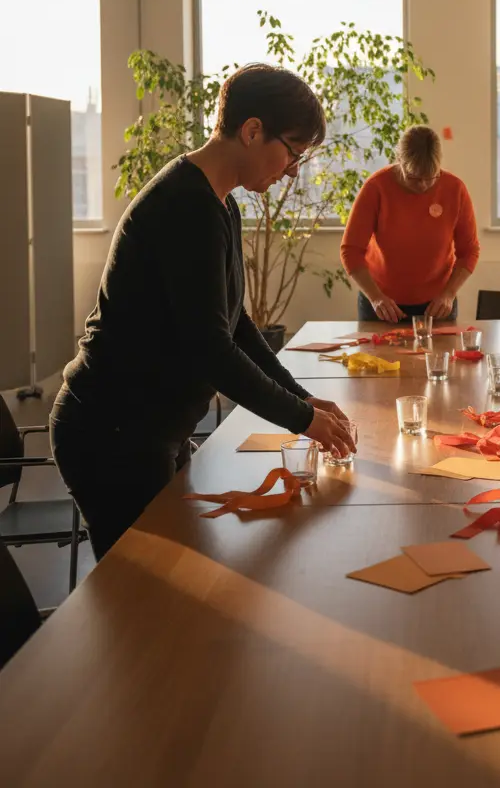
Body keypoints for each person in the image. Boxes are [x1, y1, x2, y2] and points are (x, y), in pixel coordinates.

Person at [51, 64, 355, 560]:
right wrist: (300, 418)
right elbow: (210, 350)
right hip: (112, 431)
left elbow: (233, 324)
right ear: (252, 131)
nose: (293, 170)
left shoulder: (220, 203)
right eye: (293, 152)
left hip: (150, 428)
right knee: (150, 602)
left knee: (178, 588)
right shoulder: (184, 205)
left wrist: (305, 401)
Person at [341, 124, 479, 323]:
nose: (423, 185)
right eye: (414, 177)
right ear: (399, 162)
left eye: (431, 177)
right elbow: (351, 250)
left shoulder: (455, 189)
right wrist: (376, 297)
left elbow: (469, 251)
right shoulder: (376, 188)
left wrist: (449, 293)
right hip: (382, 306)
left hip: (437, 305)